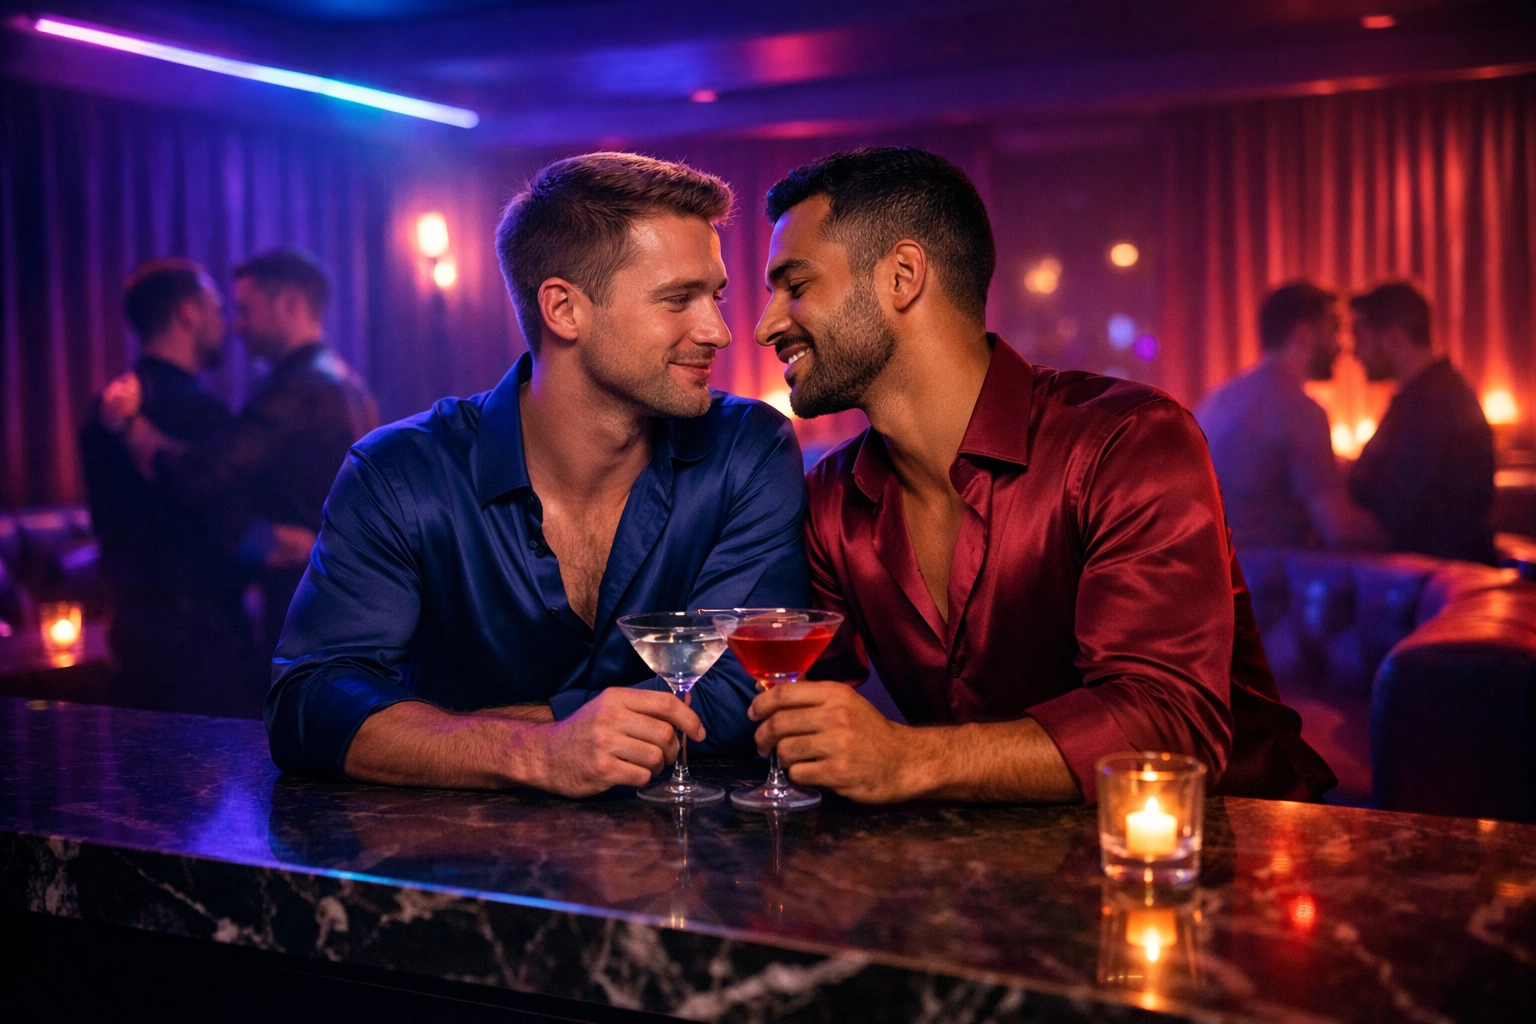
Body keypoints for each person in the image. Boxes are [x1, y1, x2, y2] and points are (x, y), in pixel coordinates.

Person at [748, 147, 1335, 804]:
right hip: (999, 874)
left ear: (903, 276)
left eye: (795, 286)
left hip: (1232, 854)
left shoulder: (1128, 440)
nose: (765, 323)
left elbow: (1169, 724)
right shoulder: (833, 499)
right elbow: (794, 700)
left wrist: (909, 758)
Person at [264, 153, 809, 796]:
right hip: (446, 874)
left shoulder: (747, 447)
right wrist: (538, 751)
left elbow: (741, 691)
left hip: (693, 869)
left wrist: (435, 731)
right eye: (677, 299)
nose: (719, 331)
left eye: (714, 295)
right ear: (563, 309)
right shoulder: (400, 473)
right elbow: (311, 705)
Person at [101, 249, 380, 652]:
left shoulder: (298, 389)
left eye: (246, 310)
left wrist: (130, 425)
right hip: (343, 603)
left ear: (291, 304)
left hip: (303, 611)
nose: (236, 326)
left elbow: (200, 477)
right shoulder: (348, 383)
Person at [80, 259, 266, 716]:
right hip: (205, 640)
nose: (226, 324)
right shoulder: (202, 414)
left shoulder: (103, 409)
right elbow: (231, 531)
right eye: (217, 309)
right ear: (188, 313)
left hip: (129, 632)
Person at [1195, 282, 1383, 551]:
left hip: (1212, 573)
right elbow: (1340, 528)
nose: (1342, 348)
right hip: (1262, 579)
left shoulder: (1218, 399)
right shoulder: (1297, 408)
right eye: (1334, 332)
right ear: (1304, 334)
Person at [1348, 281, 1497, 565]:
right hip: (1430, 573)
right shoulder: (1424, 396)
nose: (1355, 354)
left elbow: (1394, 511)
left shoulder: (1434, 403)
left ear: (1393, 338)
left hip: (1441, 579)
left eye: (1360, 339)